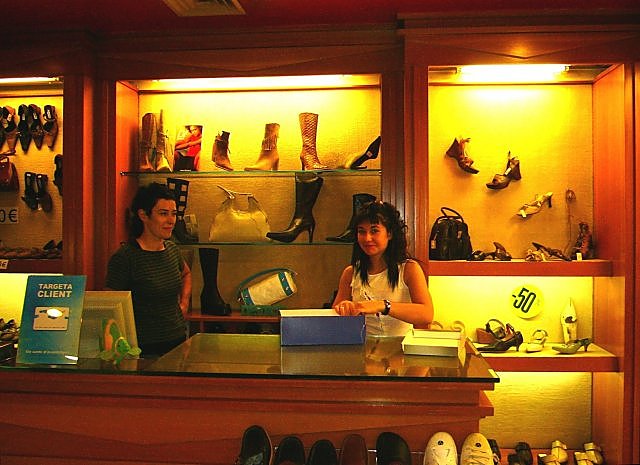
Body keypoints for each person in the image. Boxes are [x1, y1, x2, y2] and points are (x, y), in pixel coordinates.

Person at [106, 182, 192, 357]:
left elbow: (186, 273)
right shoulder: (126, 257)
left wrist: (184, 303)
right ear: (143, 215)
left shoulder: (172, 249)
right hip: (143, 347)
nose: (171, 220)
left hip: (177, 339)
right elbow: (109, 305)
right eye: (163, 214)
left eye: (174, 214)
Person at [333, 200, 434, 336]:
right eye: (361, 232)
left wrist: (383, 305)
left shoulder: (409, 269)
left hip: (400, 345)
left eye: (374, 231)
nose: (367, 238)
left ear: (389, 233)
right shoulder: (350, 273)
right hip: (362, 345)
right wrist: (345, 307)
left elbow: (426, 314)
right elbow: (334, 317)